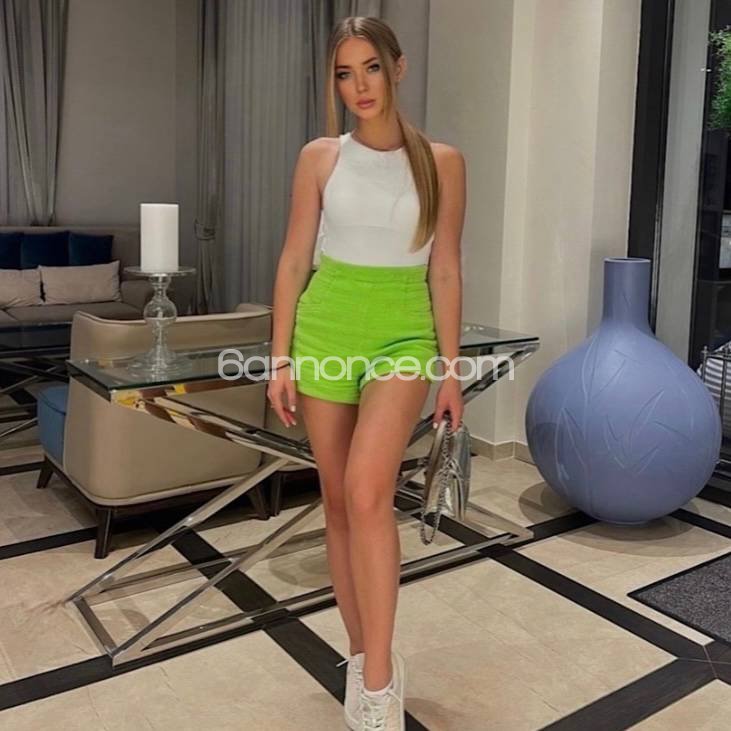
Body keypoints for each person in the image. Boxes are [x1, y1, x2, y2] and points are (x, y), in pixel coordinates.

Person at [267, 16, 466, 731]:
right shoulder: (319, 157)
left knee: (366, 490)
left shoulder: (441, 162)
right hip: (326, 327)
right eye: (344, 74)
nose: (359, 86)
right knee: (336, 502)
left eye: (371, 68)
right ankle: (359, 653)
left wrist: (450, 370)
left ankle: (379, 679)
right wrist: (280, 355)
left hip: (404, 333)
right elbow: (296, 258)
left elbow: (445, 268)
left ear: (398, 68)